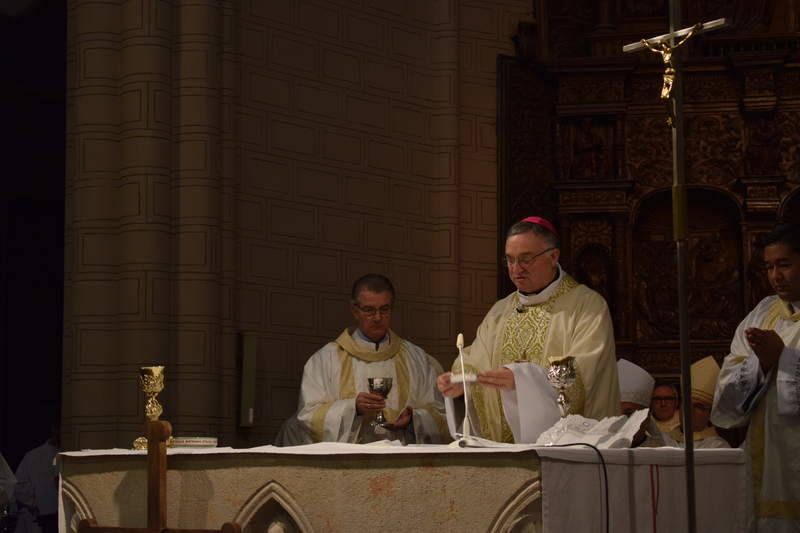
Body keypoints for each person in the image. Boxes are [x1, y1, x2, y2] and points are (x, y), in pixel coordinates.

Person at [437, 216, 620, 443]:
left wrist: (522, 381)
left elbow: (583, 372)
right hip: (503, 451)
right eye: (510, 260)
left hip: (566, 450)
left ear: (554, 256)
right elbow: (476, 358)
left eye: (526, 259)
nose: (516, 269)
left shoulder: (587, 306)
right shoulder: (500, 311)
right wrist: (462, 381)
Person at [275, 274, 449, 446]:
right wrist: (353, 408)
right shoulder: (325, 359)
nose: (378, 318)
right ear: (355, 310)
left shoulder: (417, 359)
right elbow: (308, 416)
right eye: (369, 310)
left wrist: (414, 419)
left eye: (384, 309)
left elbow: (441, 413)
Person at [712, 223, 800, 532]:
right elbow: (727, 385)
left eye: (785, 265)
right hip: (768, 453)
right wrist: (761, 366)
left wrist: (785, 359)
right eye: (769, 267)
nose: (776, 275)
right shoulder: (763, 314)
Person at [665, 356, 729, 449]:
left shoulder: (718, 447)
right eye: (686, 404)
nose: (689, 409)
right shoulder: (664, 441)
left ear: (710, 415)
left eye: (699, 406)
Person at [14, 425, 60, 533]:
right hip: (39, 519)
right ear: (55, 429)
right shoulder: (33, 456)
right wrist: (37, 502)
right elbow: (18, 485)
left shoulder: (71, 454)